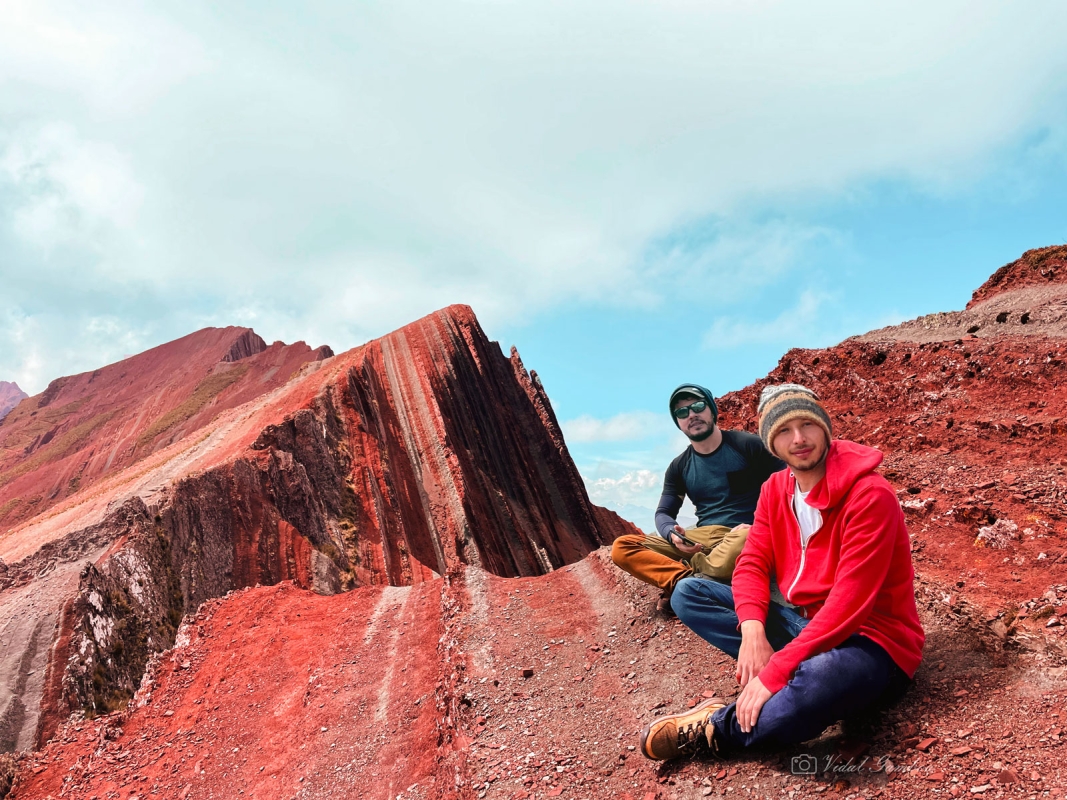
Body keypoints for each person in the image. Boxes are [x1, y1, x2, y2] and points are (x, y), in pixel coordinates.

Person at [639, 383, 925, 761]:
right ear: (771, 443)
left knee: (824, 679)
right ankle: (794, 678)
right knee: (688, 593)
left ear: (825, 427)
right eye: (783, 431)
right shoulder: (776, 488)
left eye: (807, 424)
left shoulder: (870, 496)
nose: (799, 439)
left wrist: (773, 673)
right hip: (803, 625)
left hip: (870, 642)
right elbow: (752, 562)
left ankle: (716, 729)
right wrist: (753, 629)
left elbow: (848, 604)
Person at [611, 383, 783, 613]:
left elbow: (789, 484)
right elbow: (663, 513)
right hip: (701, 540)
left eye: (698, 406)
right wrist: (672, 533)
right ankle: (689, 580)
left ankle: (689, 580)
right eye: (682, 412)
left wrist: (761, 524)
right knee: (623, 547)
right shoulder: (678, 467)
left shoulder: (747, 445)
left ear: (712, 409)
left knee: (744, 541)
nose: (691, 415)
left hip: (744, 533)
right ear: (678, 423)